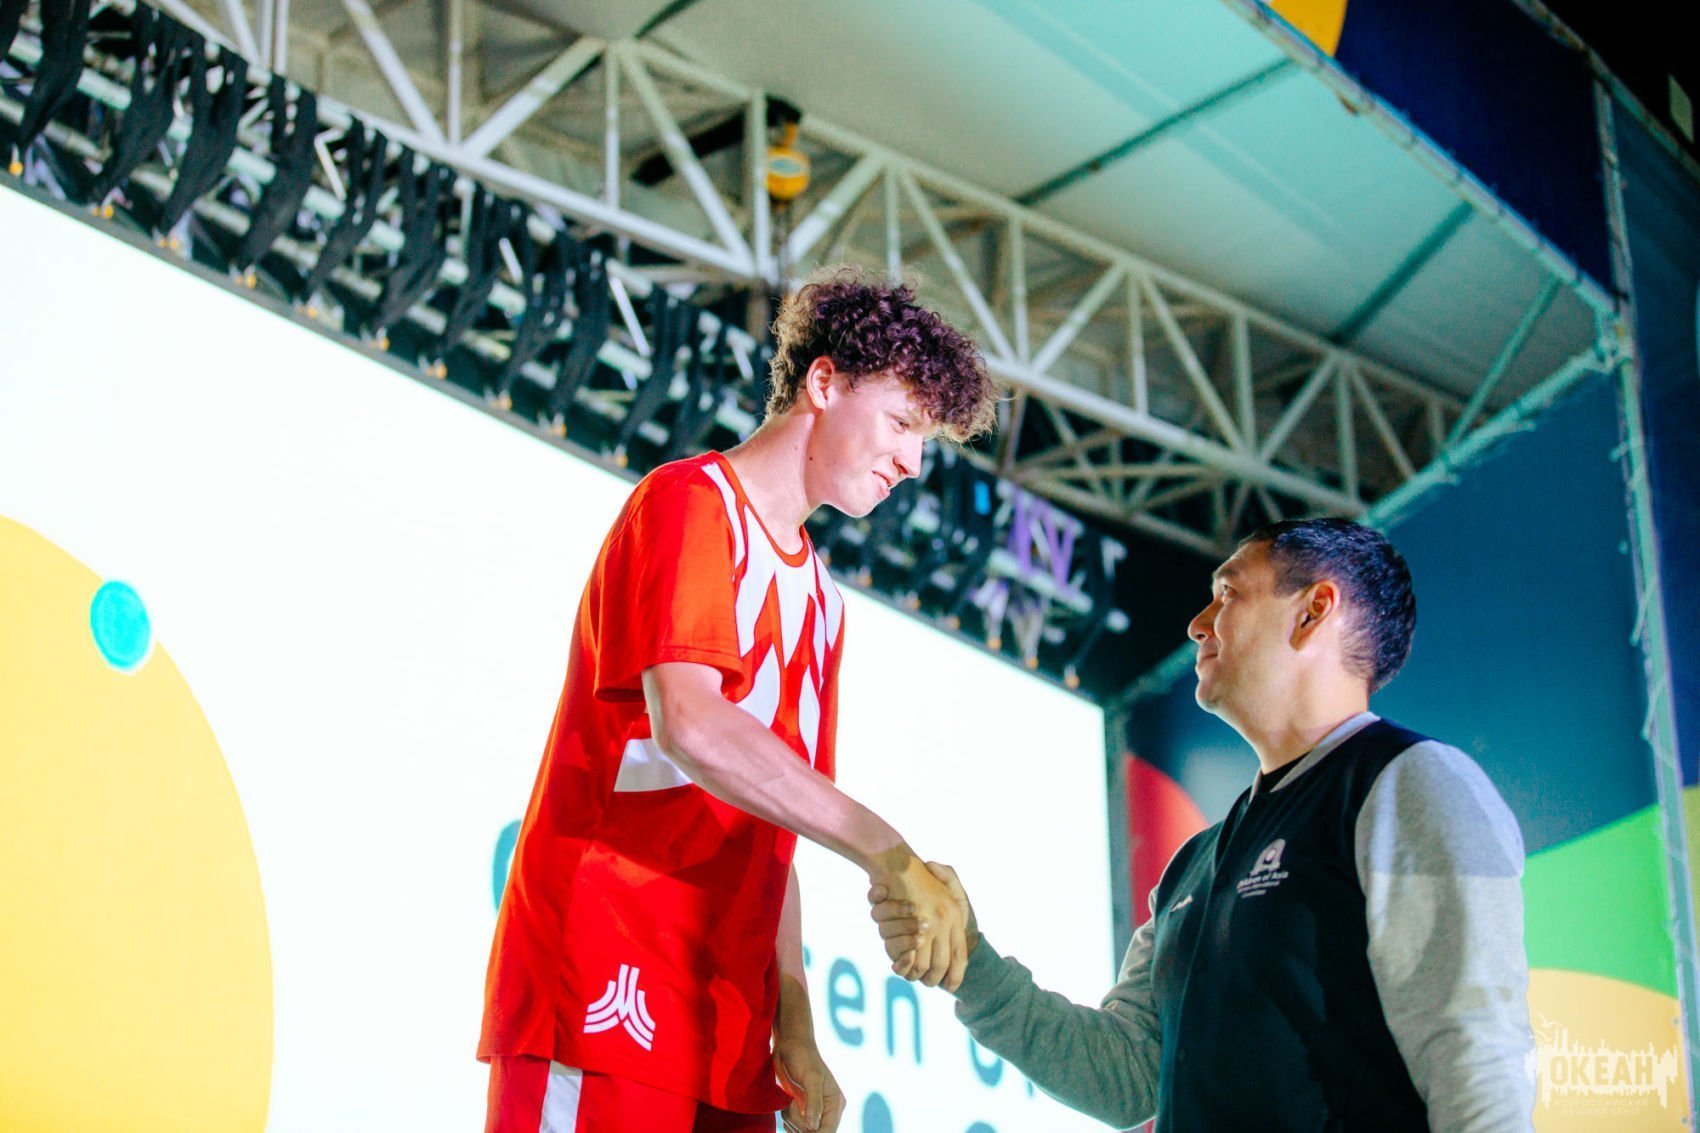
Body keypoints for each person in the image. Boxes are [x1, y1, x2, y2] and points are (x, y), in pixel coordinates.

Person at [480, 267, 998, 1133]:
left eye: (925, 441)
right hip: (604, 981)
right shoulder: (689, 502)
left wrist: (795, 1018)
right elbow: (690, 722)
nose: (912, 462)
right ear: (823, 383)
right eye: (903, 423)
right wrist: (889, 852)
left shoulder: (825, 602)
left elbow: (772, 827)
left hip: (726, 1022)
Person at [871, 518, 1535, 1132]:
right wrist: (969, 960)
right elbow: (1126, 1074)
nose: (1197, 623)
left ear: (1313, 611)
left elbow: (1474, 1058)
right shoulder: (1194, 862)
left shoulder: (1409, 782)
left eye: (1228, 593)